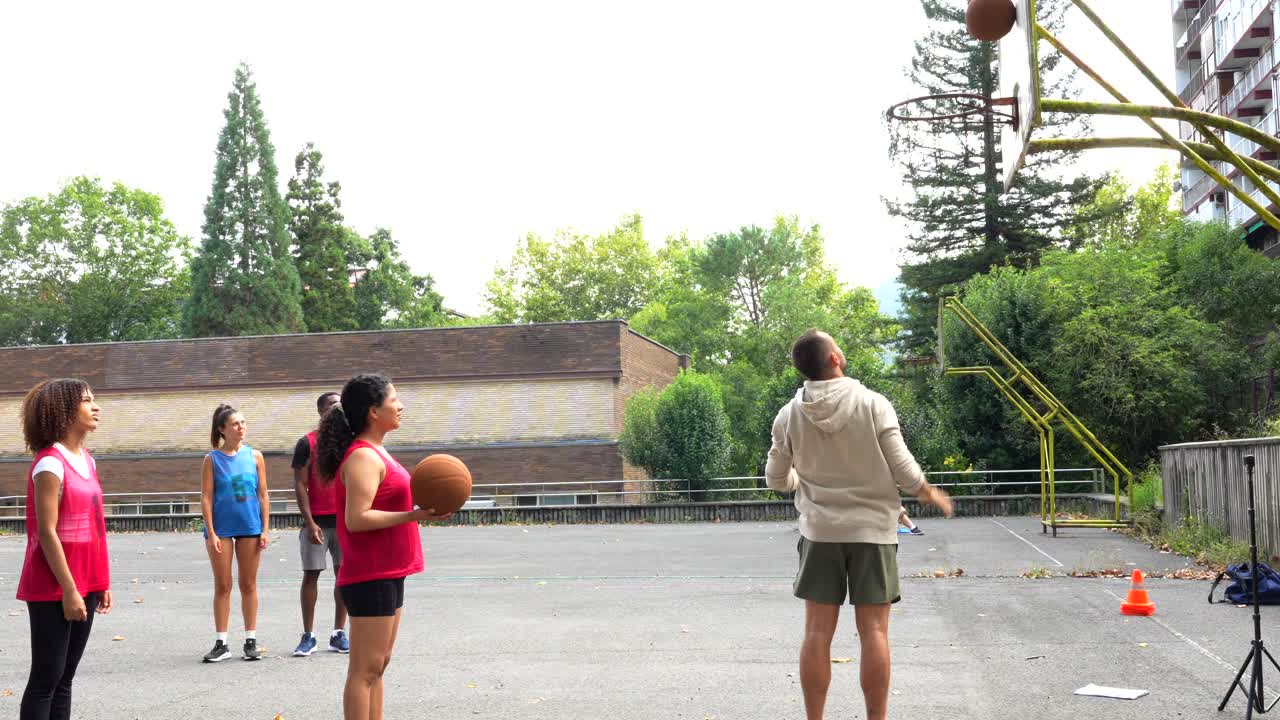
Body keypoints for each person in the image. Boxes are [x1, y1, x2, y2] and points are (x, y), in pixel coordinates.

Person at [765, 329, 953, 720]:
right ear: (835, 358)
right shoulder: (873, 404)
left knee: (817, 633)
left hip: (819, 534)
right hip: (873, 533)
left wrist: (804, 482)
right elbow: (901, 467)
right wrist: (926, 492)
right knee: (875, 633)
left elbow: (776, 480)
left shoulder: (788, 415)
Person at [314, 374, 451, 720]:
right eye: (394, 400)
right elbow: (356, 519)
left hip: (390, 571)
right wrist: (413, 515)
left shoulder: (378, 451)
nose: (401, 405)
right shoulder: (362, 456)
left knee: (379, 666)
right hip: (369, 574)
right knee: (364, 671)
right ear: (374, 411)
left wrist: (423, 509)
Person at [17, 379, 112, 720]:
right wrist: (69, 590)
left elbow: (95, 528)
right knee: (46, 679)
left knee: (66, 678)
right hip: (52, 585)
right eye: (87, 401)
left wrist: (100, 582)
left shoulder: (87, 460)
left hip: (83, 582)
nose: (95, 407)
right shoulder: (50, 463)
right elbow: (46, 532)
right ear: (64, 411)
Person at [200, 403, 270, 663]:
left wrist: (264, 528)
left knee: (249, 584)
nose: (242, 428)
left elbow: (263, 495)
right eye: (235, 424)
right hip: (221, 529)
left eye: (243, 422)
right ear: (222, 429)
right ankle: (222, 642)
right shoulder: (212, 459)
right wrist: (211, 531)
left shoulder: (255, 457)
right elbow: (206, 497)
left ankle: (250, 639)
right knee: (223, 584)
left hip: (250, 527)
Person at [292, 391, 349, 657]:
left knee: (344, 577)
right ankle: (308, 635)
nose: (336, 407)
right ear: (320, 411)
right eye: (330, 404)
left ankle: (339, 633)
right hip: (316, 522)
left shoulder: (350, 443)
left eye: (339, 403)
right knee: (311, 575)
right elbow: (300, 485)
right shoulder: (307, 442)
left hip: (344, 522)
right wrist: (309, 522)